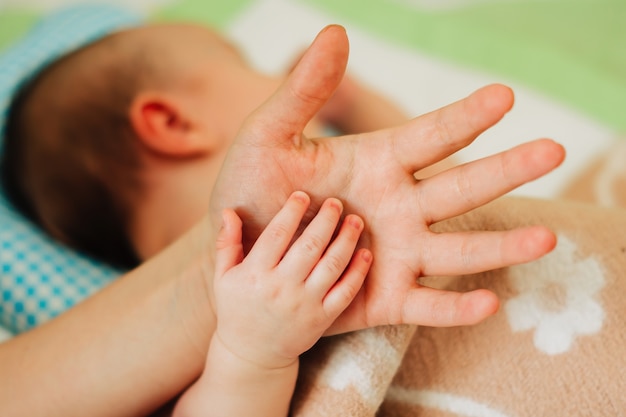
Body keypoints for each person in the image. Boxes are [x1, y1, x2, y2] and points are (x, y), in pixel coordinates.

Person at [0, 24, 565, 416]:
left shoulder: (354, 192)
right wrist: (251, 356)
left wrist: (359, 106)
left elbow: (457, 197)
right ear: (171, 122)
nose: (274, 74)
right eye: (244, 67)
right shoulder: (167, 364)